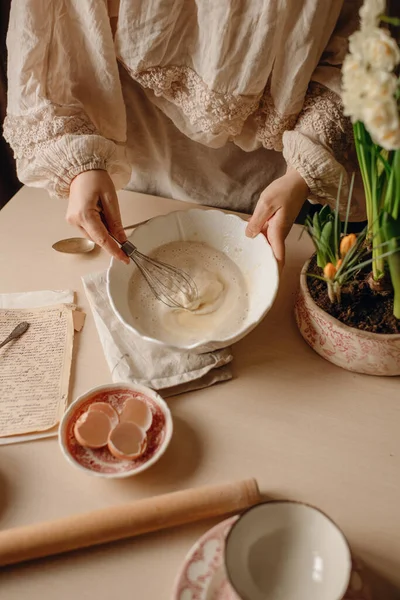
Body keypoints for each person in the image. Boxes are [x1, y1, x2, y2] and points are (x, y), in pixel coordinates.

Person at [4, 0, 366, 268]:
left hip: (271, 182)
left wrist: (301, 172)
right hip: (134, 169)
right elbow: (48, 31)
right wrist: (81, 165)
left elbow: (353, 47)